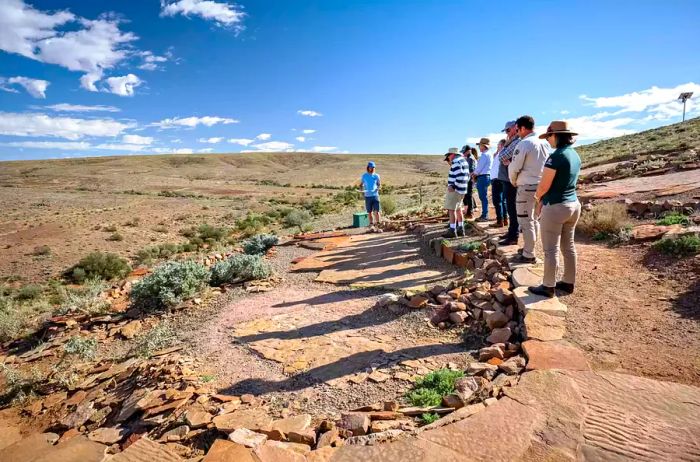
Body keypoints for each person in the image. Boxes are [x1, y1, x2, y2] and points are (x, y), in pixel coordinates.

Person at [528, 121, 582, 298]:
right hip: (573, 205)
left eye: (549, 136)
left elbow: (544, 186)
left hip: (556, 206)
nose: (548, 140)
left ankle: (548, 286)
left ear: (556, 135)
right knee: (569, 246)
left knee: (550, 249)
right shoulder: (574, 155)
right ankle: (568, 282)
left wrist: (537, 199)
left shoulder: (556, 157)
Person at [508, 115, 550, 263]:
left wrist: (513, 181)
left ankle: (528, 253)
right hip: (540, 186)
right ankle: (530, 248)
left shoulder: (524, 144)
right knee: (534, 219)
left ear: (523, 128)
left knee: (525, 221)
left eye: (518, 129)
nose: (517, 132)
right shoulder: (544, 143)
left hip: (526, 187)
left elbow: (514, 167)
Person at [497, 121, 521, 245]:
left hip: (511, 179)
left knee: (512, 208)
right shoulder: (512, 141)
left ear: (514, 128)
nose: (507, 134)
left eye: (507, 130)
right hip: (508, 178)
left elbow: (501, 156)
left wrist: (504, 148)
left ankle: (513, 235)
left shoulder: (516, 141)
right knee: (510, 207)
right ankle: (511, 232)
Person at [443, 147, 468, 238]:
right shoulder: (463, 161)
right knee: (458, 209)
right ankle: (461, 228)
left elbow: (460, 175)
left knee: (452, 209)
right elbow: (466, 175)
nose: (448, 158)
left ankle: (452, 230)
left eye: (448, 155)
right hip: (462, 189)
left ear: (452, 154)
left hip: (456, 190)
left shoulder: (456, 162)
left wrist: (453, 186)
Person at [472, 138, 492, 222]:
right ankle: (485, 214)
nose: (479, 147)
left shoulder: (484, 155)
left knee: (483, 197)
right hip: (487, 176)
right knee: (484, 197)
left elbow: (479, 168)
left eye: (480, 145)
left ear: (483, 146)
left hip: (483, 177)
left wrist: (473, 174)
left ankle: (485, 215)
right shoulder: (489, 154)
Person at [359, 161, 382, 233]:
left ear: (374, 168)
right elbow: (361, 185)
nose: (371, 169)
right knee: (369, 212)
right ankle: (371, 226)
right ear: (368, 167)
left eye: (372, 167)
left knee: (377, 211)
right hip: (367, 196)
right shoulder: (364, 175)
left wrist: (378, 188)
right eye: (370, 167)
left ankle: (378, 226)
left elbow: (379, 185)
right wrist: (362, 189)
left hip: (375, 195)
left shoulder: (377, 176)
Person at [489, 139, 508, 228]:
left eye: (498, 145)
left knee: (497, 201)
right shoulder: (500, 154)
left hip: (497, 179)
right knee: (502, 201)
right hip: (498, 179)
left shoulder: (502, 154)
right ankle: (504, 219)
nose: (497, 147)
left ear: (502, 146)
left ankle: (500, 220)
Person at [461, 145, 476, 218]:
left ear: (468, 151)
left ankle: (470, 212)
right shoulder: (469, 158)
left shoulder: (470, 158)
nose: (463, 154)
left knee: (469, 195)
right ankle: (469, 211)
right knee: (468, 195)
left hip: (468, 179)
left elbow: (471, 170)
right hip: (468, 179)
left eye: (464, 152)